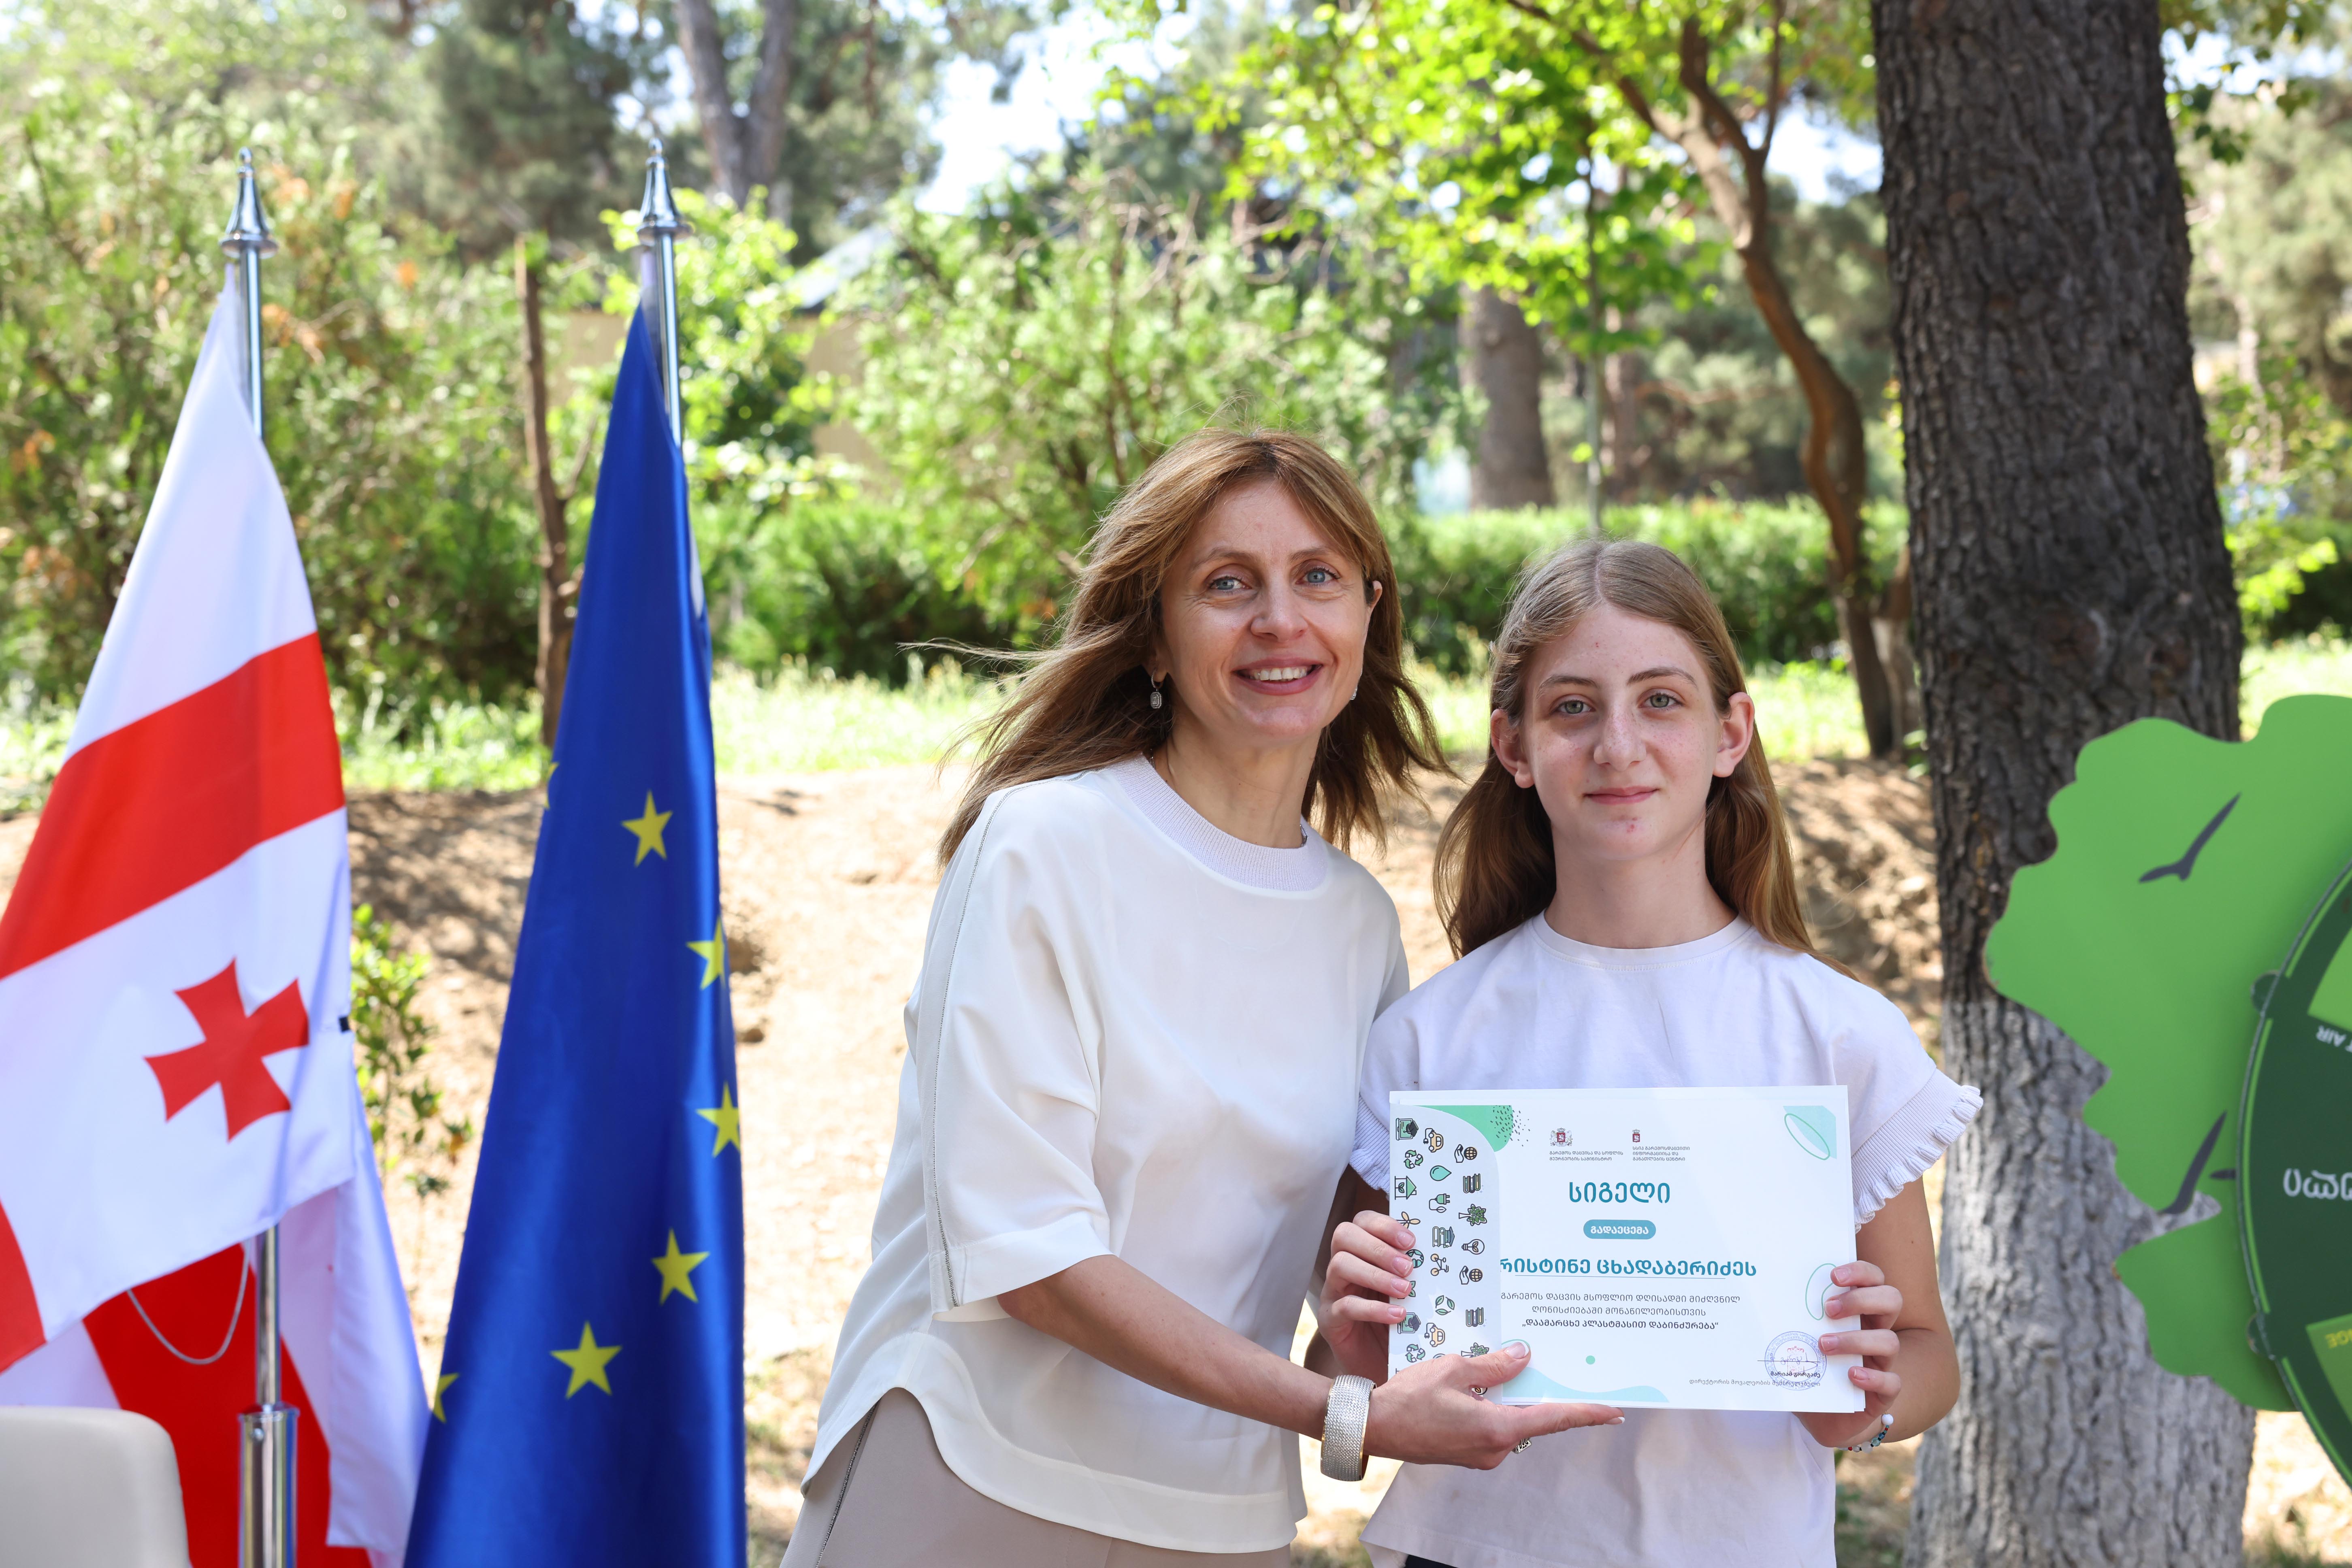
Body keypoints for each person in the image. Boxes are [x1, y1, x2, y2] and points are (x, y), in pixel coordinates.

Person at [785, 430, 1620, 1568]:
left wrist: (1397, 1334)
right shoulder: (1042, 845)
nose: (1281, 619)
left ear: (1368, 616)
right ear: (1155, 635)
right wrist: (1347, 1415)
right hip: (973, 1473)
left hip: (1222, 1520)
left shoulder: (1357, 926)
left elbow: (1343, 1293)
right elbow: (1030, 1262)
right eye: (1228, 583)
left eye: (1318, 576)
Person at [1317, 538, 1980, 1568]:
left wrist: (1868, 1398)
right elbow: (1347, 1381)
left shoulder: (1835, 1032)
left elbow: (1929, 1356)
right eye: (1573, 707)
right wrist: (1362, 1346)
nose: (1618, 745)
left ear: (1731, 732)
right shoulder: (1427, 1040)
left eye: (1661, 700)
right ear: (1513, 745)